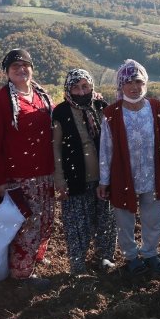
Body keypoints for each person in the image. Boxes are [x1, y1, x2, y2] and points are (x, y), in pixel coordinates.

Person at [0, 49, 55, 290]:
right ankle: (21, 274)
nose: (21, 69)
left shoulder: (41, 95)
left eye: (25, 65)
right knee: (28, 223)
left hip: (46, 173)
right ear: (6, 72)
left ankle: (33, 258)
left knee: (46, 219)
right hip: (20, 176)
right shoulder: (1, 100)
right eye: (15, 66)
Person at [97, 59, 160, 275]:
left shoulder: (156, 108)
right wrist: (104, 180)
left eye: (138, 81)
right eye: (128, 82)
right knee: (124, 219)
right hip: (124, 176)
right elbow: (106, 149)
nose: (134, 86)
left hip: (152, 174)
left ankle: (150, 253)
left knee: (154, 216)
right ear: (120, 86)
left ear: (145, 83)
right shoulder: (112, 114)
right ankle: (131, 257)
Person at [52, 69, 117, 275]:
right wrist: (60, 180)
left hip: (103, 178)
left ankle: (104, 257)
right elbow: (56, 148)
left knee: (106, 219)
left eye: (85, 86)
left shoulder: (100, 107)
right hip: (75, 179)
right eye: (76, 87)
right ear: (68, 89)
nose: (81, 92)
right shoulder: (61, 112)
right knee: (77, 225)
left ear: (91, 87)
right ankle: (78, 266)